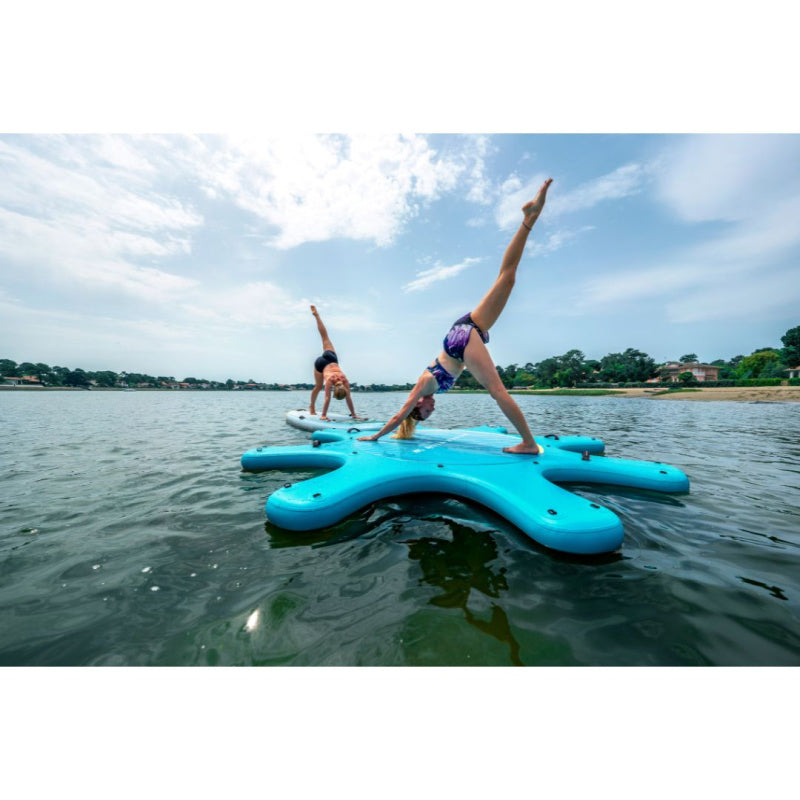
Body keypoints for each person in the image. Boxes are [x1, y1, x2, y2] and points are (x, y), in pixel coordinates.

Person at [358, 178, 553, 454]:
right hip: (462, 332)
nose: (431, 408)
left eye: (426, 411)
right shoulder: (430, 387)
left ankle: (529, 443)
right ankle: (529, 219)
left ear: (418, 405)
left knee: (497, 390)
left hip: (460, 341)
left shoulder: (423, 384)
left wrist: (376, 437)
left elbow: (400, 414)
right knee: (507, 279)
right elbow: (407, 414)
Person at [309, 305, 363, 420]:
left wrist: (353, 414)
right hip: (321, 365)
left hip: (331, 358)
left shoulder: (344, 379)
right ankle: (312, 407)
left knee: (324, 336)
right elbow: (329, 398)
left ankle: (317, 316)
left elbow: (333, 398)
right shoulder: (331, 381)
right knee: (318, 386)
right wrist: (323, 415)